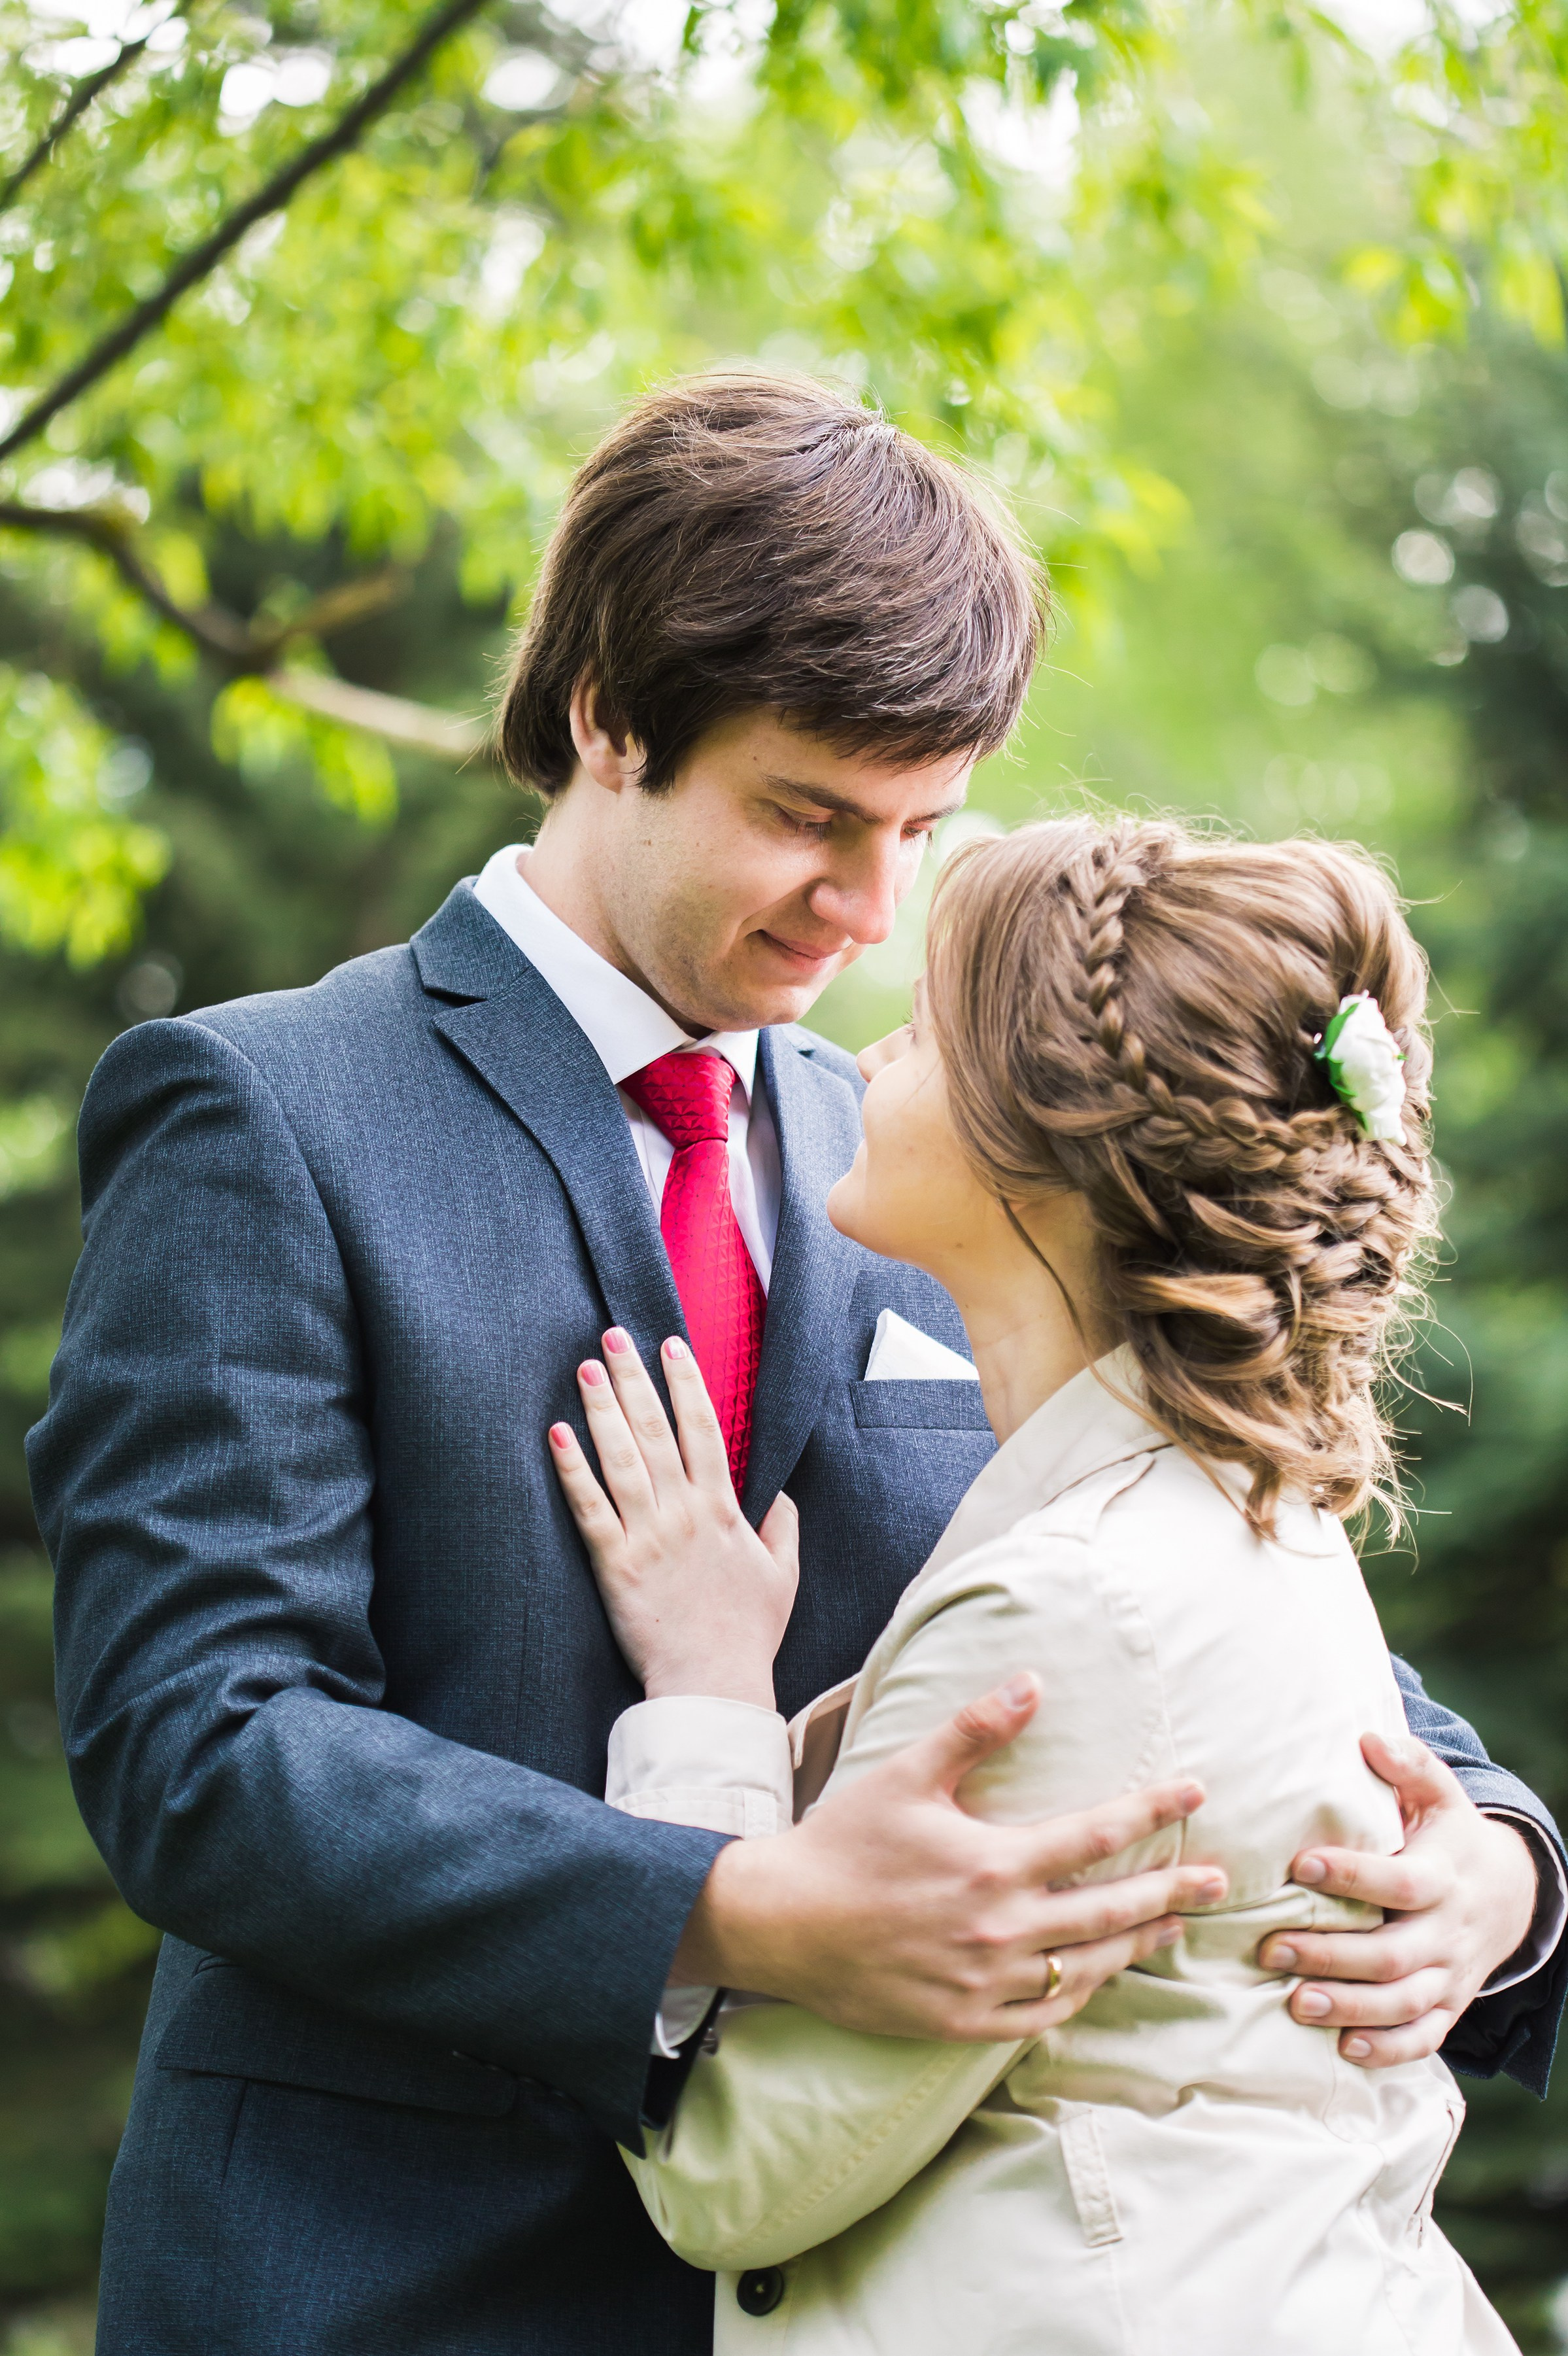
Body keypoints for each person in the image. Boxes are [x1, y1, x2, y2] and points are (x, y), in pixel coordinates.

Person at [26, 376, 1563, 2356]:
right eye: (805, 816)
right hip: (375, 2291)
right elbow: (202, 1741)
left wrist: (1494, 1857)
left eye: (920, 828)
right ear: (608, 717)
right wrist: (735, 1909)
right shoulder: (263, 1112)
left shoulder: (956, 1155)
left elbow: (1173, 1556)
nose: (867, 910)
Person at [549, 817, 1552, 2351]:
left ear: (1043, 1139)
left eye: (926, 1029)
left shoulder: (1071, 1607)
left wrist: (706, 1696)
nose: (864, 1057)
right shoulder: (1238, 1510)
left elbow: (733, 2171)